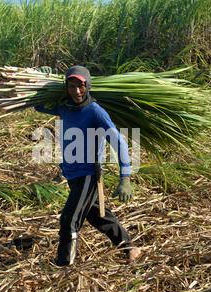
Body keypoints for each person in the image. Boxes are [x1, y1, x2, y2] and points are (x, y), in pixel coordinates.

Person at [34, 65, 141, 266]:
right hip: (73, 175)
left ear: (88, 85)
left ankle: (64, 265)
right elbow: (38, 105)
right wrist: (40, 80)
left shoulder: (95, 111)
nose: (77, 91)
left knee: (69, 220)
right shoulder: (64, 108)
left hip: (88, 175)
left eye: (81, 86)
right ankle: (130, 247)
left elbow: (120, 142)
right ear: (65, 87)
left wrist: (125, 178)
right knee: (98, 216)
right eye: (72, 86)